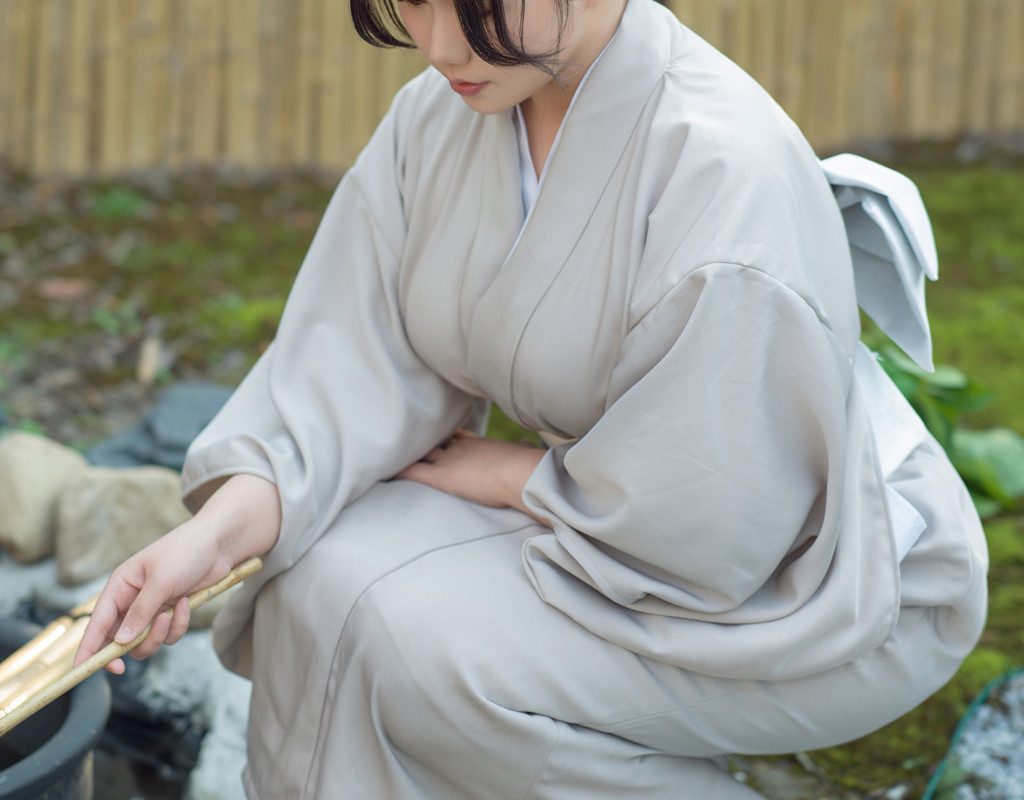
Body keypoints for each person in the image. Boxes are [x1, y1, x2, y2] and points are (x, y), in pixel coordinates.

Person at [73, 0, 989, 796]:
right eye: (415, 2)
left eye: (475, 6)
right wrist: (214, 538)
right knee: (310, 581)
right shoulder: (442, 115)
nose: (439, 46)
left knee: (402, 638)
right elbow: (344, 369)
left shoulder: (721, 169)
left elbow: (713, 520)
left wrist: (517, 477)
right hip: (620, 520)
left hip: (814, 577)